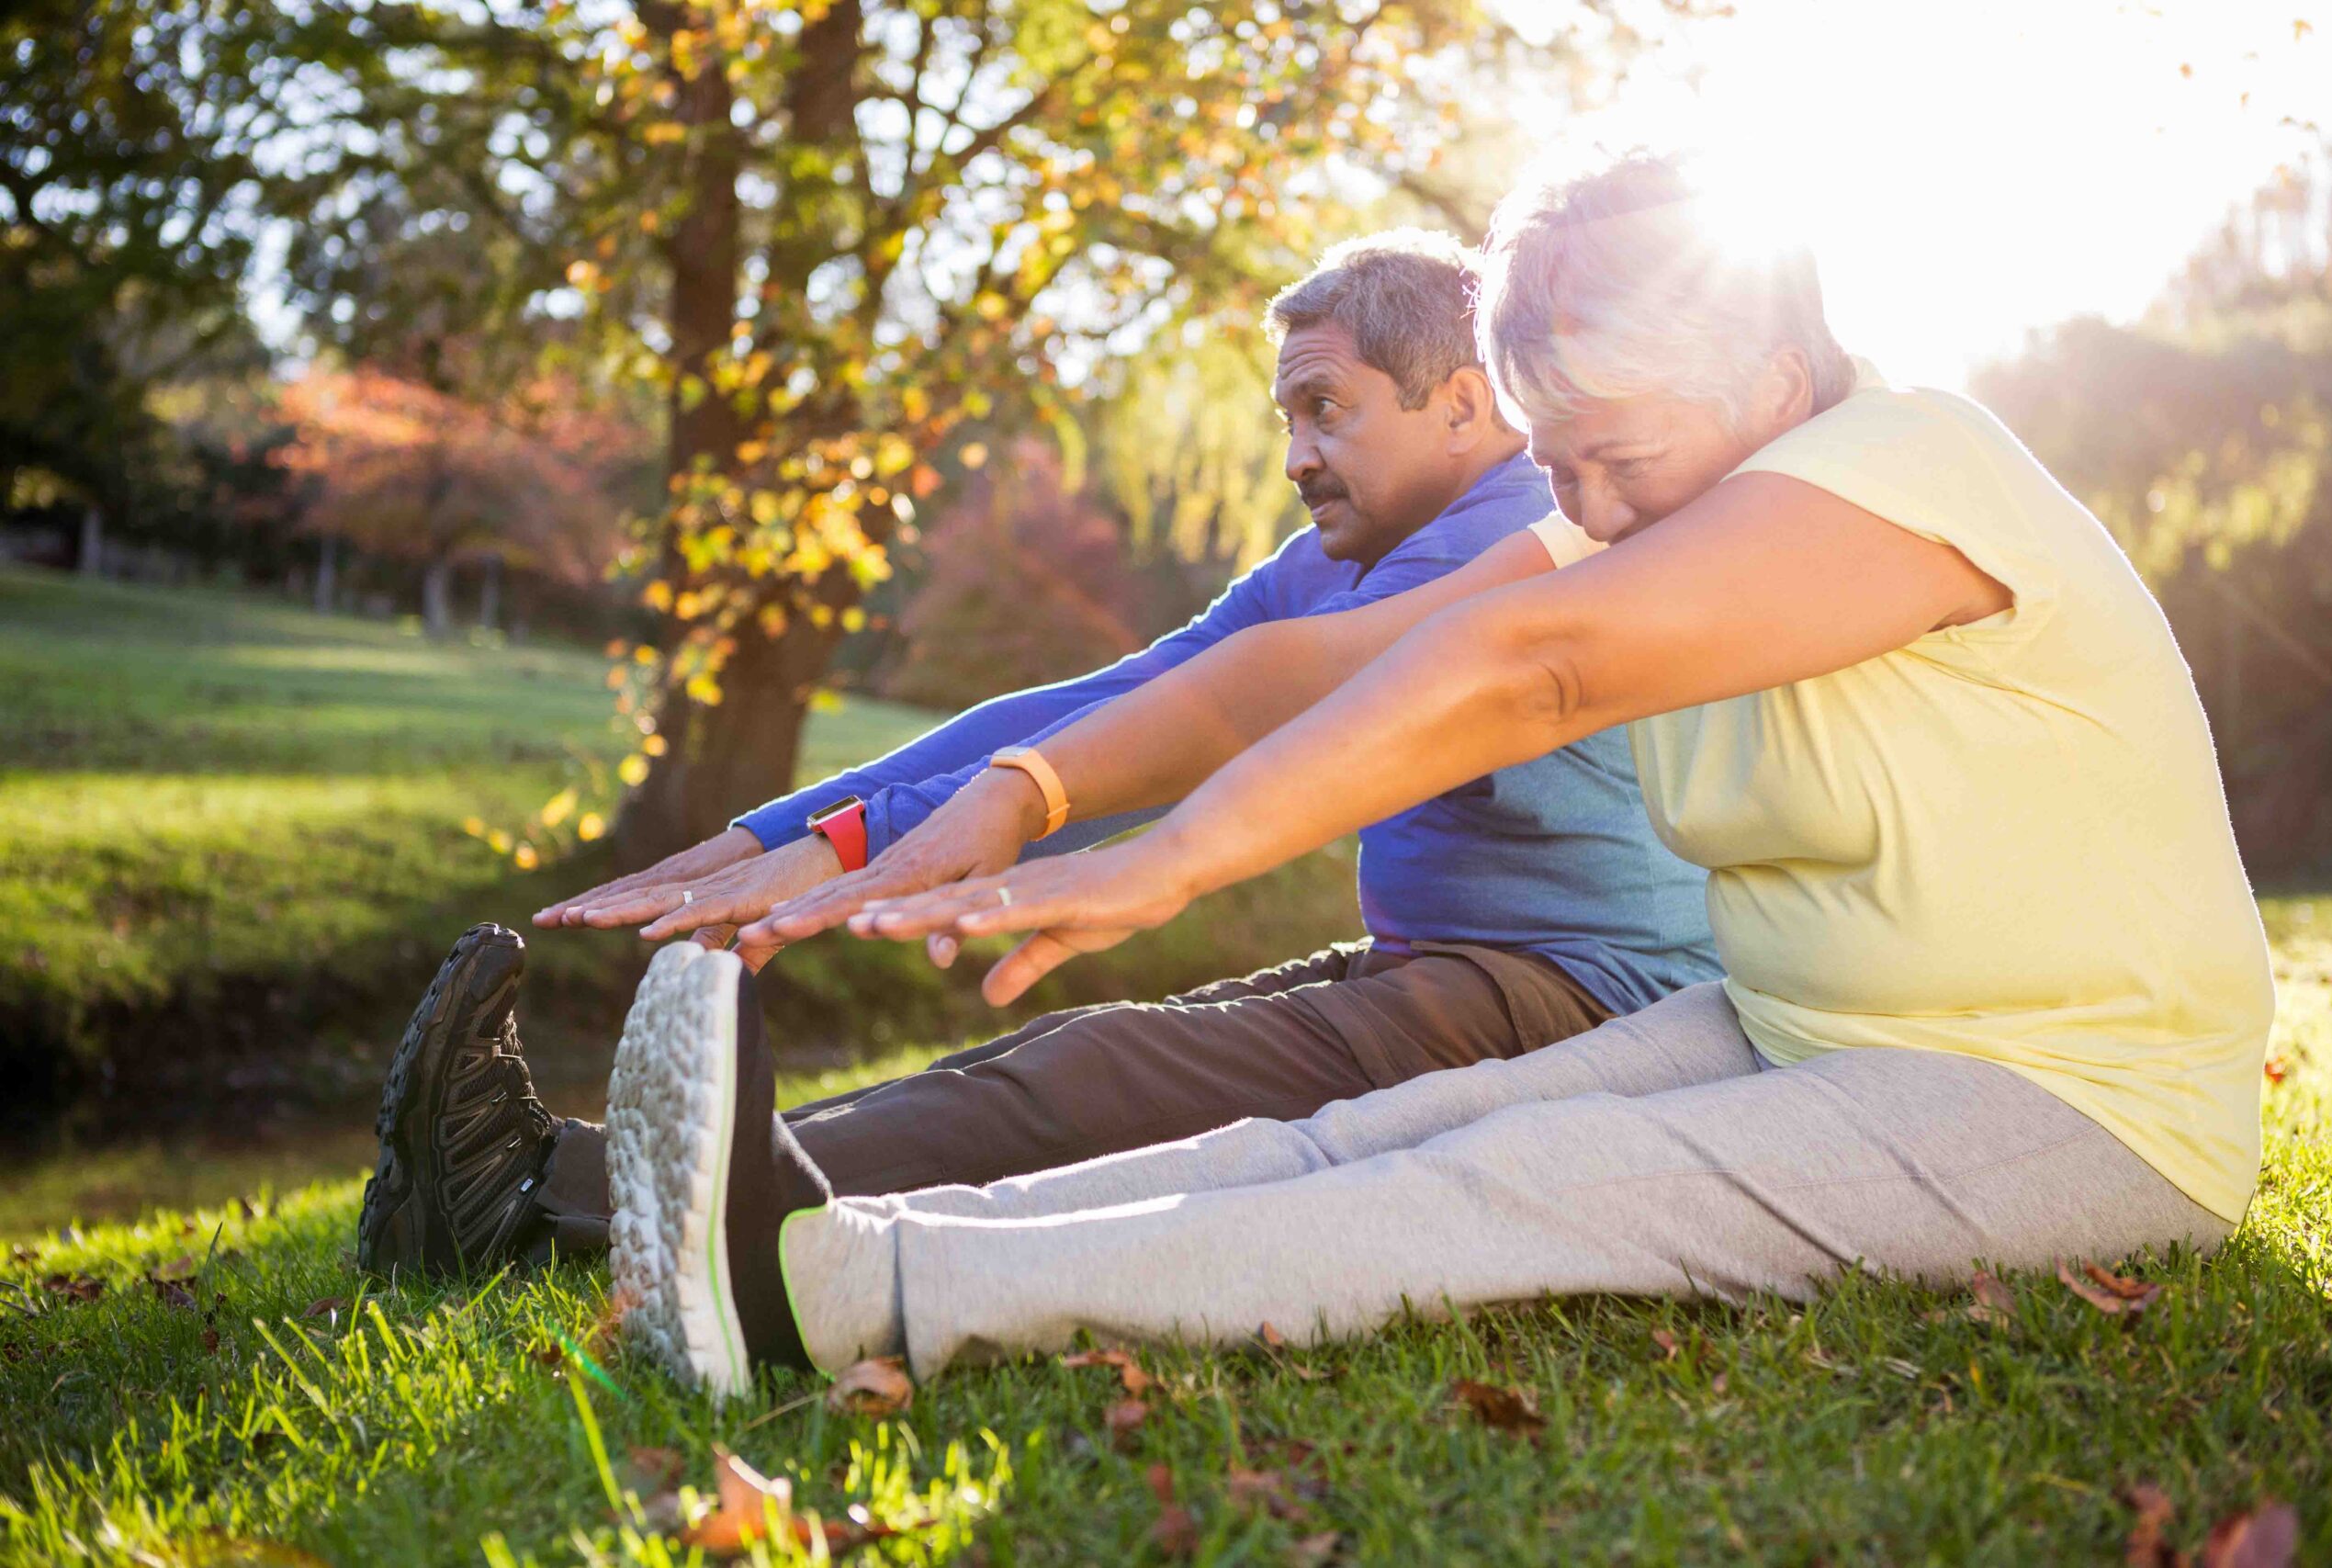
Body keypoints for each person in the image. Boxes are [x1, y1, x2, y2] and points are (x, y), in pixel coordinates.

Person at [599, 153, 2274, 1394]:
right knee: (1378, 1131)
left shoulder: (1911, 468)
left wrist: (1167, 864)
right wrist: (1032, 790)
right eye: (1554, 460)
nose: (1587, 511)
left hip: (2071, 1099)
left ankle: (848, 1304)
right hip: (1809, 1025)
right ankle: (795, 1233)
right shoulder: (1654, 489)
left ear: (1769, 382)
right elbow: (1285, 669)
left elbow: (1526, 671)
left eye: (1614, 456)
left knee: (1508, 1186)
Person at [354, 230, 1719, 1280]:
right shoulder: (1333, 560)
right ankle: (568, 1183)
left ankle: (546, 1203)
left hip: (1592, 1001)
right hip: (1462, 970)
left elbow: (1246, 707)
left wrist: (913, 834)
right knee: (1088, 1053)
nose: (1296, 455)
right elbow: (1113, 699)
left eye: (1326, 409)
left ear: (1467, 403)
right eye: (1285, 419)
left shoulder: (1539, 525)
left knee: (1106, 1079)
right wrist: (787, 830)